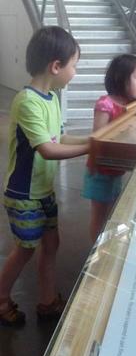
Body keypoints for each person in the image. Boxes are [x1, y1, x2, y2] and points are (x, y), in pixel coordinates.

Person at [0, 26, 89, 326]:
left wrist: (95, 140)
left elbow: (60, 139)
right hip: (23, 194)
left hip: (43, 191)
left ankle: (47, 301)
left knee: (51, 245)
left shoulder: (50, 98)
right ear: (56, 65)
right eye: (74, 65)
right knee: (25, 250)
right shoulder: (27, 102)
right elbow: (48, 150)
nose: (74, 72)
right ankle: (0, 299)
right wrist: (92, 149)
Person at [82, 54, 136, 243]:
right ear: (120, 77)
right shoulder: (106, 104)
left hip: (115, 170)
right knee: (99, 214)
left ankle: (106, 244)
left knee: (111, 211)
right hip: (101, 171)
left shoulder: (132, 105)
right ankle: (95, 251)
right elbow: (99, 137)